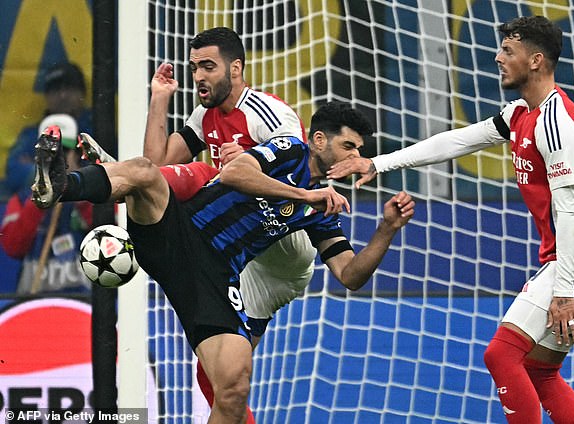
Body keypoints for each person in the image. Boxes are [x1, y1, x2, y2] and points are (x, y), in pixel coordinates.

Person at [32, 102, 415, 423]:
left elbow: (349, 275)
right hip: (179, 231)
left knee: (233, 387)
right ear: (318, 140)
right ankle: (61, 186)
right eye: (349, 146)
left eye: (360, 151)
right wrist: (302, 194)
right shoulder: (289, 150)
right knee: (145, 172)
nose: (356, 158)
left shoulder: (322, 210)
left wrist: (386, 229)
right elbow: (233, 172)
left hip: (215, 275)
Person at [328, 16, 574, 424]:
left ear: (535, 61)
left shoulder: (557, 124)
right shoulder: (521, 113)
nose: (498, 58)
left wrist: (564, 290)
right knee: (540, 371)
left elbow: (570, 210)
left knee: (500, 354)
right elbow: (458, 139)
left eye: (508, 51)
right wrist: (378, 162)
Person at [142, 27, 317, 407]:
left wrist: (249, 168)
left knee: (206, 177)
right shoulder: (205, 114)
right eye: (194, 68)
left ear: (235, 68)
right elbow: (157, 165)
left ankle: (119, 195)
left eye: (208, 66)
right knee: (219, 375)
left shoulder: (269, 114)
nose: (199, 76)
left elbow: (298, 173)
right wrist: (159, 100)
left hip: (285, 240)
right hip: (248, 254)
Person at [1, 114, 92, 294]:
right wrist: (40, 198)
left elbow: (110, 232)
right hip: (33, 300)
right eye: (49, 153)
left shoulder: (92, 194)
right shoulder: (20, 200)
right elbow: (13, 247)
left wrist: (78, 190)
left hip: (83, 300)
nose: (55, 159)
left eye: (62, 152)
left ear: (75, 154)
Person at [5, 62, 91, 195]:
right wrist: (57, 173)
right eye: (56, 90)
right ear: (46, 96)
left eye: (69, 88)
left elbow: (108, 169)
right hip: (40, 207)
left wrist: (78, 175)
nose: (63, 95)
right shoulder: (31, 135)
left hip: (83, 207)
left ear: (82, 94)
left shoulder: (97, 129)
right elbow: (13, 172)